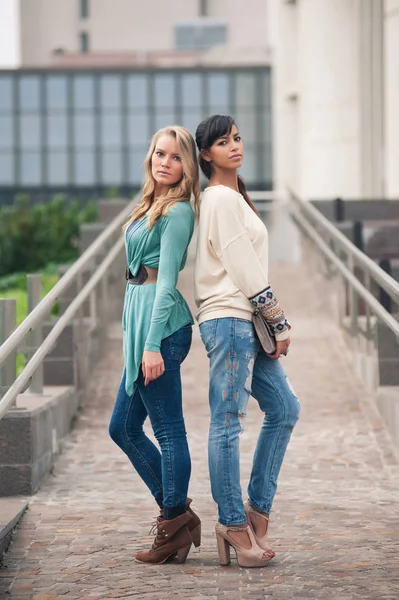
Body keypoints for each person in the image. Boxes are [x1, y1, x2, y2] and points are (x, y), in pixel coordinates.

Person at [194, 115, 300, 568]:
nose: (234, 146)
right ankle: (233, 524)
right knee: (228, 422)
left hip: (244, 321)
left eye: (236, 138)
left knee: (285, 408)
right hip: (230, 319)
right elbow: (242, 264)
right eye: (223, 142)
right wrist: (279, 320)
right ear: (205, 155)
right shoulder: (218, 198)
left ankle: (257, 511)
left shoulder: (234, 196)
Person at [109, 126, 201, 565]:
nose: (165, 161)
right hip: (140, 318)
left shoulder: (178, 212)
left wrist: (150, 346)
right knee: (122, 428)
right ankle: (178, 517)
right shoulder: (150, 203)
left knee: (167, 430)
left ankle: (173, 523)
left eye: (175, 156)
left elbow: (167, 283)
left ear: (187, 166)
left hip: (161, 328)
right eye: (159, 153)